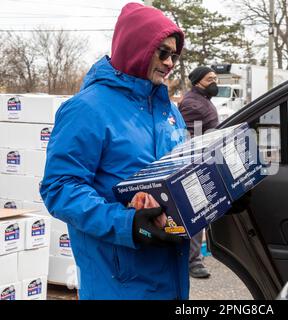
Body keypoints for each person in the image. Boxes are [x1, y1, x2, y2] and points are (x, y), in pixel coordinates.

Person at [40, 3, 190, 300]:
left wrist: (219, 196)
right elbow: (59, 188)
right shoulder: (87, 109)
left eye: (175, 55)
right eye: (163, 52)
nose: (170, 62)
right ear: (138, 48)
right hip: (120, 282)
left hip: (171, 275)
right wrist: (128, 224)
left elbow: (179, 176)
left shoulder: (170, 112)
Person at [178, 66, 219, 279]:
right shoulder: (192, 103)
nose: (215, 82)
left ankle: (193, 259)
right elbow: (188, 137)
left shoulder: (203, 99)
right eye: (210, 78)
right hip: (194, 164)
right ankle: (192, 262)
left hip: (203, 161)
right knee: (196, 212)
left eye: (215, 78)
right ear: (197, 81)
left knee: (201, 211)